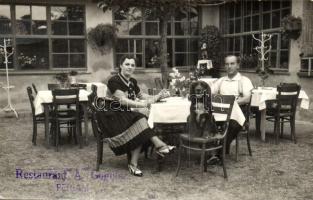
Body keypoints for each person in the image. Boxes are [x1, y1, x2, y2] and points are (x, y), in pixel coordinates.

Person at [96, 55, 174, 177]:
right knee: (140, 119)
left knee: (141, 120)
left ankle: (134, 163)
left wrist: (158, 96)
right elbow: (122, 101)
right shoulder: (114, 81)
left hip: (125, 114)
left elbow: (142, 96)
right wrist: (142, 104)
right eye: (127, 64)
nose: (130, 67)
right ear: (120, 66)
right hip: (112, 117)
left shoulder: (132, 81)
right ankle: (160, 145)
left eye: (132, 65)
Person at [212, 55, 254, 155]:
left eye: (232, 64)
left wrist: (232, 103)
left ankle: (219, 152)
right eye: (227, 64)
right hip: (221, 113)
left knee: (232, 124)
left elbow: (247, 98)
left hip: (238, 113)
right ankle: (209, 149)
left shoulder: (244, 80)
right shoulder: (221, 81)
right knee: (206, 120)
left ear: (238, 65)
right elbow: (210, 92)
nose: (229, 66)